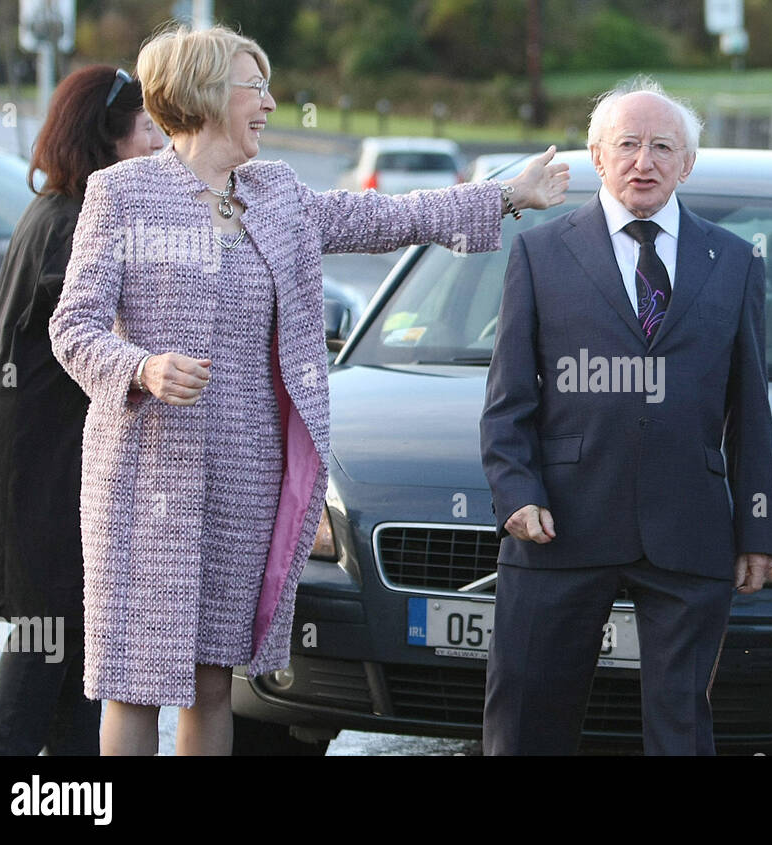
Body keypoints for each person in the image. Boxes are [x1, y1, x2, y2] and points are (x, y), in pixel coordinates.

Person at [48, 25, 568, 756]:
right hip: (145, 480)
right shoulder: (121, 194)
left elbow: (391, 217)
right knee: (133, 681)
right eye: (252, 86)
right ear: (201, 92)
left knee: (209, 681)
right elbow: (72, 328)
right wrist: (142, 368)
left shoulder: (277, 191)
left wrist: (509, 195)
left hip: (249, 477)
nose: (268, 101)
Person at [479, 77, 772, 755]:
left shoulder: (733, 261)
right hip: (561, 522)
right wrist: (516, 493)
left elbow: (750, 406)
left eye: (662, 146)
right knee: (528, 718)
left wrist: (756, 526)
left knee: (681, 730)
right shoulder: (539, 252)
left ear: (686, 163)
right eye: (628, 145)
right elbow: (508, 397)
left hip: (690, 527)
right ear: (596, 154)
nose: (643, 161)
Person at [0, 65, 164, 755]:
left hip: (44, 464)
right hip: (41, 475)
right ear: (105, 139)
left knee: (76, 648)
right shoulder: (74, 223)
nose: (159, 146)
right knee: (48, 634)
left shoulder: (56, 209)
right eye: (147, 130)